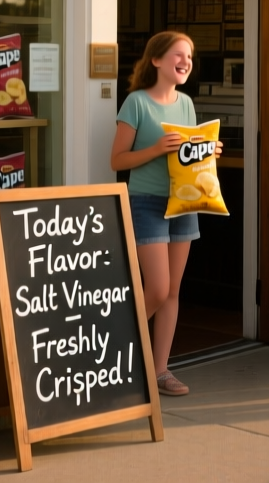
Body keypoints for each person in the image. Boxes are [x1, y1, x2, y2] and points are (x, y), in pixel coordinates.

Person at [109, 31, 221, 397]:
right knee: (155, 289)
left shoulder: (186, 104)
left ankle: (159, 372)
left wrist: (206, 151)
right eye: (178, 54)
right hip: (146, 202)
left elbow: (185, 156)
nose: (186, 61)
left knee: (173, 291)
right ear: (156, 60)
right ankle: (111, 355)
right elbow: (117, 160)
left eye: (189, 55)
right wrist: (157, 148)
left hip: (184, 203)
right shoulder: (136, 104)